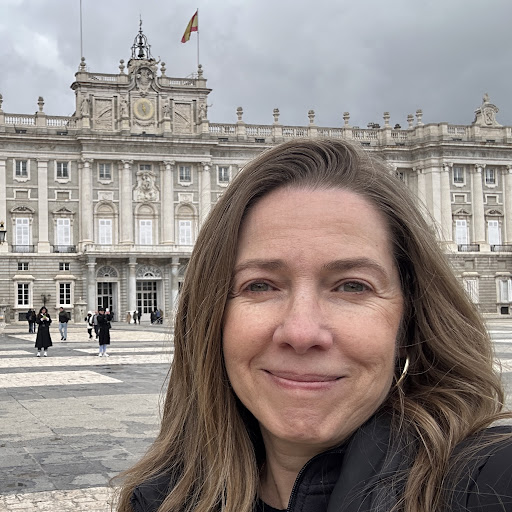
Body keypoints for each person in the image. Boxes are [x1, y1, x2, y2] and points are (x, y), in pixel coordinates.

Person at [116, 139, 512, 512]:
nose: (302, 332)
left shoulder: (485, 480)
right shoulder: (160, 499)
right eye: (260, 285)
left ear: (410, 320)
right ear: (210, 319)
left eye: (352, 286)